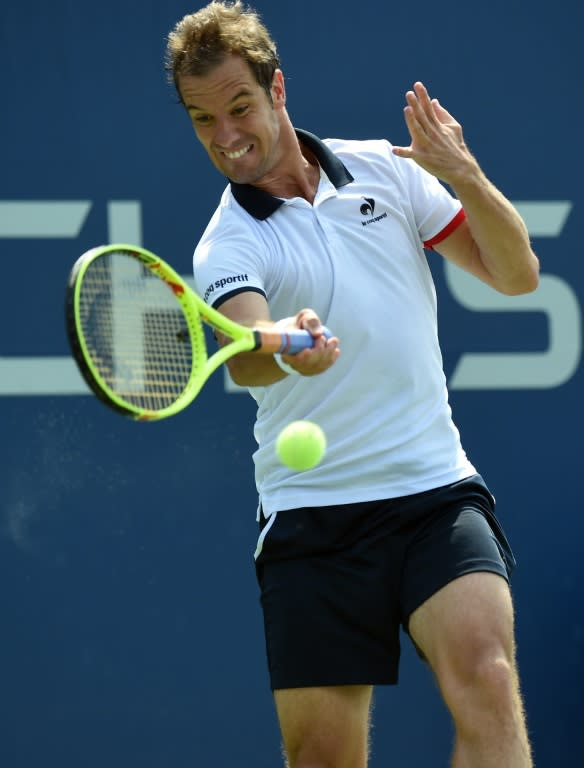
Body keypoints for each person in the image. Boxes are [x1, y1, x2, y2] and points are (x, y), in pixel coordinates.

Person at [165, 3, 540, 766]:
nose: (227, 137)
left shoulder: (386, 170)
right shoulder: (226, 243)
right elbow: (247, 353)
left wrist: (464, 175)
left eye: (239, 107)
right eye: (204, 121)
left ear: (278, 89)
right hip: (315, 519)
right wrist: (287, 351)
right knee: (322, 758)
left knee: (489, 677)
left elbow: (516, 274)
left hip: (436, 491)